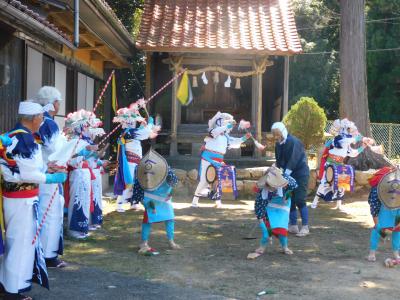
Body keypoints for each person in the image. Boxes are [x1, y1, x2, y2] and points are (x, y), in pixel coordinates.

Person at [0, 101, 67, 300]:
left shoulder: (13, 135)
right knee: (21, 244)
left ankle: (7, 283)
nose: (42, 122)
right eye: (41, 118)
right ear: (34, 118)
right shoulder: (25, 140)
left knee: (15, 241)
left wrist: (48, 170)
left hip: (14, 197)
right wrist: (51, 177)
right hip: (23, 199)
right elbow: (29, 174)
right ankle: (14, 290)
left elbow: (22, 170)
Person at [33, 86, 68, 268]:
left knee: (43, 214)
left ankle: (46, 254)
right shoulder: (49, 123)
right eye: (59, 102)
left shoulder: (40, 121)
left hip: (41, 174)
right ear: (54, 103)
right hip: (49, 175)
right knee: (50, 215)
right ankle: (47, 255)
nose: (59, 105)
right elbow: (55, 150)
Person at [191, 112, 251, 208]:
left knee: (219, 181)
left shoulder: (226, 137)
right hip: (208, 158)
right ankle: (195, 200)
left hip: (219, 160)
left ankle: (217, 201)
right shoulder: (213, 131)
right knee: (204, 181)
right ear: (219, 122)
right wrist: (228, 125)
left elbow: (234, 142)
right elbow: (218, 131)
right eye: (224, 122)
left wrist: (244, 138)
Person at [113, 103, 160, 213]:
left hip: (136, 158)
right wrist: (150, 123)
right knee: (128, 182)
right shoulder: (129, 131)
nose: (133, 122)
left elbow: (144, 132)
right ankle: (119, 204)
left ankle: (134, 202)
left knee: (135, 181)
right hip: (129, 160)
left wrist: (147, 125)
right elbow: (144, 133)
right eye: (132, 121)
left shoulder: (131, 131)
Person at [133, 149, 180, 255]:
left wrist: (171, 193)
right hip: (149, 197)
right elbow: (138, 189)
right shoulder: (140, 170)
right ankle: (144, 242)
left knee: (170, 219)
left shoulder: (167, 170)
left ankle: (171, 241)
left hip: (164, 197)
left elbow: (174, 183)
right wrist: (145, 202)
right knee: (147, 220)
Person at [247, 166, 298, 259]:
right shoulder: (263, 191)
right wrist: (262, 223)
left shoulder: (286, 182)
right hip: (269, 209)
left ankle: (285, 247)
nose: (271, 187)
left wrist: (281, 175)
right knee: (267, 232)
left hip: (283, 207)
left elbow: (294, 185)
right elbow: (259, 208)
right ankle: (262, 247)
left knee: (282, 230)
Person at [63, 110, 99, 239]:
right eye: (82, 125)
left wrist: (92, 153)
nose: (84, 127)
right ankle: (74, 229)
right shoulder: (71, 139)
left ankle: (83, 227)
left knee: (84, 200)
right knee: (76, 200)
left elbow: (85, 155)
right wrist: (86, 150)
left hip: (84, 171)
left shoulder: (82, 139)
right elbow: (71, 156)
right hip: (77, 171)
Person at [271, 122, 310, 237]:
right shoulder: (278, 145)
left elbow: (294, 159)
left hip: (300, 174)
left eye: (278, 134)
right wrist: (277, 172)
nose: (277, 137)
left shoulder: (293, 142)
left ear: (283, 132)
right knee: (289, 199)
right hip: (287, 174)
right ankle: (293, 225)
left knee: (299, 199)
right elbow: (279, 160)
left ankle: (305, 226)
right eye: (275, 135)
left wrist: (285, 174)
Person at [365, 166, 400, 264]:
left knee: (397, 229)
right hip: (383, 207)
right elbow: (374, 208)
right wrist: (378, 225)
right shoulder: (377, 189)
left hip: (397, 208)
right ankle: (372, 252)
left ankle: (396, 252)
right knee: (378, 228)